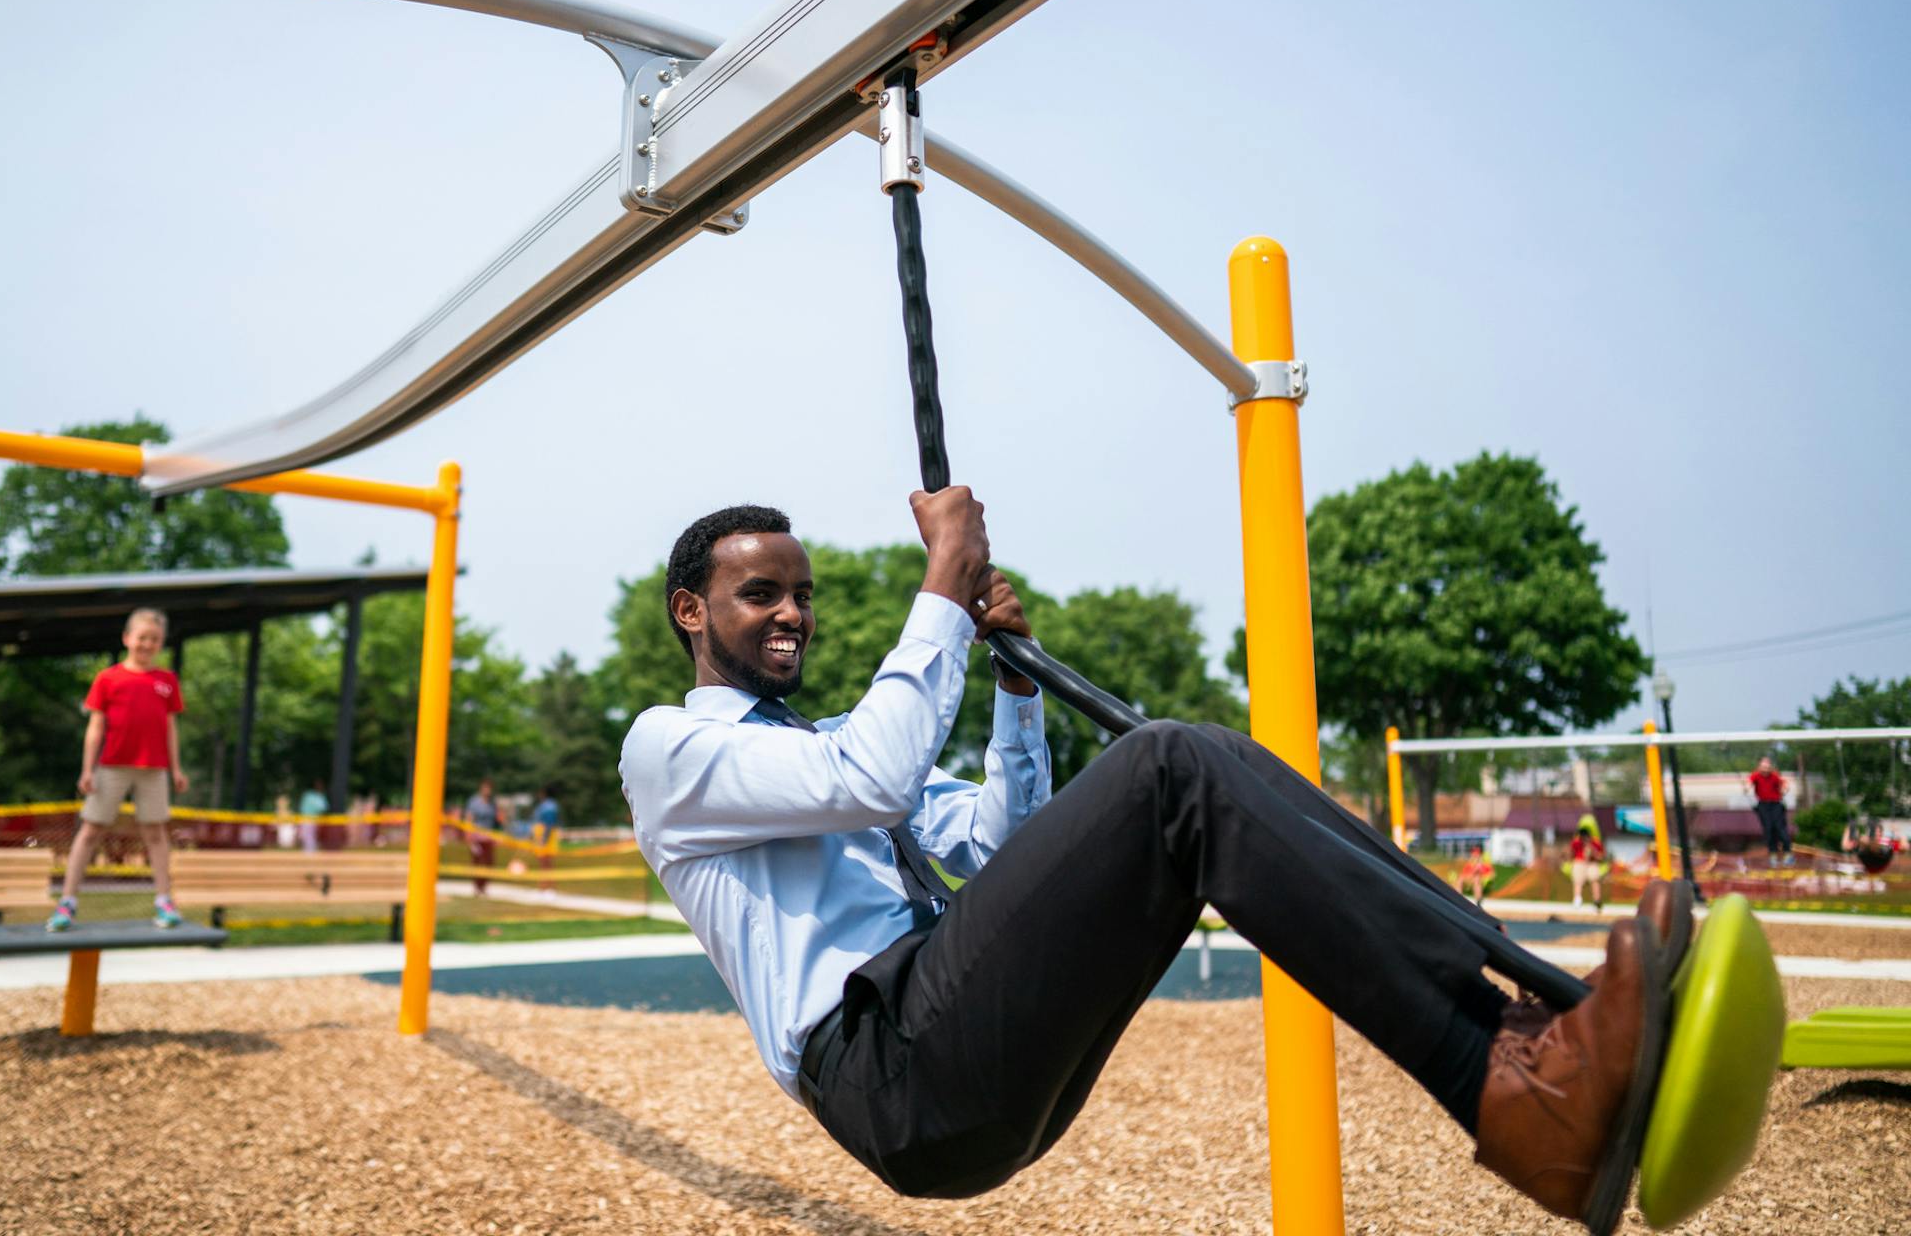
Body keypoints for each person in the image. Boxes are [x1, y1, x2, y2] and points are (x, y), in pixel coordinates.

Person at [622, 496, 1686, 1224]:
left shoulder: (820, 747)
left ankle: (1532, 1029)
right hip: (885, 1068)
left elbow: (998, 850)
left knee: (1196, 761)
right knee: (1170, 765)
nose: (793, 614)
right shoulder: (672, 749)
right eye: (763, 594)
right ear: (692, 611)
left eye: (800, 593)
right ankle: (1509, 1088)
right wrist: (941, 590)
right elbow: (876, 781)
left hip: (950, 1037)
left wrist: (1017, 691)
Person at [48, 608, 189, 932]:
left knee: (155, 833)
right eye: (141, 637)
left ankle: (164, 901)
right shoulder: (108, 679)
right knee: (91, 830)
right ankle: (67, 902)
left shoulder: (166, 681)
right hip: (111, 766)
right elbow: (95, 727)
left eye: (154, 639)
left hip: (153, 769)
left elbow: (170, 728)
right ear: (127, 638)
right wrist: (88, 769)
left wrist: (176, 768)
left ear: (161, 643)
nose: (147, 644)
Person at [1746, 757, 1792, 867]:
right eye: (1763, 767)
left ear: (1770, 767)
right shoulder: (1756, 775)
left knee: (1780, 828)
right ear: (1759, 767)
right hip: (1763, 805)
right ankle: (1773, 854)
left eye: (1767, 767)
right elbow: (1749, 782)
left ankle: (1787, 853)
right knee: (1768, 829)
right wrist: (1747, 788)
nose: (1765, 770)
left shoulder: (1774, 776)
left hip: (1775, 804)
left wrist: (1784, 790)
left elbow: (1784, 784)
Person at [466, 778, 500, 894]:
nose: (487, 790)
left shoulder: (492, 803)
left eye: (489, 788)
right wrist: (469, 836)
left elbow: (496, 821)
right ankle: (477, 886)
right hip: (477, 836)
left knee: (489, 862)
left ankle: (484, 887)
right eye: (486, 787)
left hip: (488, 836)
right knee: (478, 861)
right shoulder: (474, 802)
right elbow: (469, 818)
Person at [1569, 814, 1607, 912]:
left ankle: (1597, 900)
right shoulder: (1576, 843)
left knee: (1594, 877)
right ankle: (1577, 898)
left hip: (1592, 863)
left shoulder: (1595, 843)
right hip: (1580, 863)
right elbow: (1571, 854)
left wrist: (1592, 851)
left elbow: (1601, 857)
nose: (1584, 837)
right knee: (1578, 876)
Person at [531, 783, 562, 895]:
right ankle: (543, 887)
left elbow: (549, 823)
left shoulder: (549, 806)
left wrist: (544, 839)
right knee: (544, 863)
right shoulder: (547, 805)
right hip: (543, 835)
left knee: (546, 863)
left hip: (546, 836)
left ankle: (549, 888)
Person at [298, 779, 330, 855]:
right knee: (306, 836)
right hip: (306, 818)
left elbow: (323, 809)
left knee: (310, 837)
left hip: (314, 820)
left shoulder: (320, 797)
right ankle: (308, 853)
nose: (319, 787)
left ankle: (311, 853)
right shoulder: (308, 795)